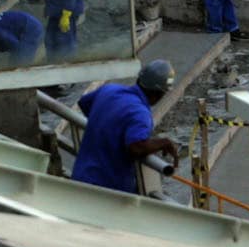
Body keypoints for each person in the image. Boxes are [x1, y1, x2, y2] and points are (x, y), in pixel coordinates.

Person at [72, 60, 182, 194]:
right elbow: (136, 147)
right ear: (160, 93)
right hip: (108, 190)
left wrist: (105, 125)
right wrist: (164, 143)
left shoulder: (109, 90)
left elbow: (84, 103)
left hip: (81, 176)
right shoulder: (140, 113)